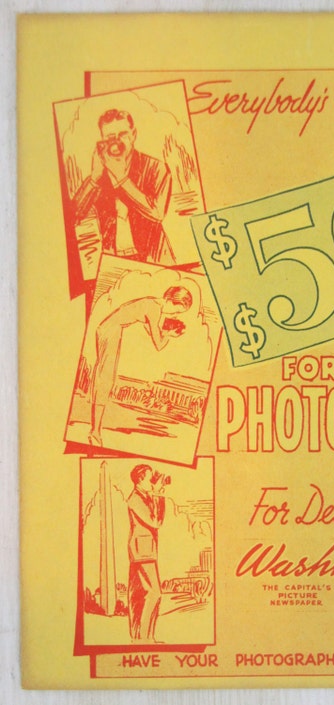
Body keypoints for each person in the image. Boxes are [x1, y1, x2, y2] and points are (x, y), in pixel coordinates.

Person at [88, 285, 192, 446]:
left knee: (105, 377)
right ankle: (95, 432)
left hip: (110, 329)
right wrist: (169, 335)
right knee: (105, 379)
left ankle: (95, 430)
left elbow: (151, 331)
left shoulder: (152, 305)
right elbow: (158, 344)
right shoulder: (154, 309)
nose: (176, 314)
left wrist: (164, 331)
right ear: (170, 300)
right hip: (110, 331)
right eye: (177, 310)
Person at [72, 108, 174, 264]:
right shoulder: (100, 173)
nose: (116, 142)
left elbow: (157, 213)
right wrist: (93, 178)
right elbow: (73, 216)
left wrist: (121, 178)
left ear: (133, 135)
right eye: (110, 137)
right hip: (114, 259)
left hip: (154, 258)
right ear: (102, 140)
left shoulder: (156, 167)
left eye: (122, 135)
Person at [127, 463, 166, 642]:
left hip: (147, 550)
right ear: (140, 479)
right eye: (150, 479)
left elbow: (159, 520)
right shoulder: (135, 499)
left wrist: (159, 495)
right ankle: (142, 637)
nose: (152, 483)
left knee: (146, 594)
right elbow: (154, 522)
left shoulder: (146, 497)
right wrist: (157, 494)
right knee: (154, 593)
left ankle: (148, 637)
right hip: (142, 550)